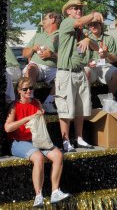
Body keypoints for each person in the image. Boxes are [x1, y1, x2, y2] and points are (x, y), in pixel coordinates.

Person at [4, 77, 70, 207]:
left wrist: (40, 116)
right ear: (19, 91)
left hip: (36, 139)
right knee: (38, 157)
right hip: (17, 142)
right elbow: (7, 128)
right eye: (25, 89)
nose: (29, 91)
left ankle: (55, 191)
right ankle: (38, 195)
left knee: (58, 155)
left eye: (31, 88)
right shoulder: (14, 106)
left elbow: (40, 126)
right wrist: (28, 118)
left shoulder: (37, 103)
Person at [55, 0, 102, 152]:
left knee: (81, 109)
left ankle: (79, 138)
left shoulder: (82, 30)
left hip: (79, 72)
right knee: (65, 110)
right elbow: (80, 22)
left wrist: (88, 41)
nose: (79, 10)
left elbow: (97, 48)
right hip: (66, 73)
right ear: (68, 11)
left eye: (80, 8)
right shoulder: (67, 22)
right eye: (75, 8)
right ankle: (66, 141)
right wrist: (94, 14)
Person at [22, 12, 61, 113]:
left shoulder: (62, 35)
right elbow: (24, 54)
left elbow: (68, 57)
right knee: (31, 68)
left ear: (52, 20)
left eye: (45, 19)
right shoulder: (38, 35)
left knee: (65, 76)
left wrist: (52, 55)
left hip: (54, 68)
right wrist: (32, 49)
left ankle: (48, 103)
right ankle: (30, 102)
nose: (43, 22)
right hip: (37, 66)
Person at [85, 21, 117, 94]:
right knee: (85, 71)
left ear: (100, 25)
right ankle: (87, 100)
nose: (93, 26)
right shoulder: (86, 39)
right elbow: (80, 56)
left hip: (105, 66)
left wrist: (107, 54)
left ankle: (110, 99)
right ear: (88, 27)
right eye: (90, 25)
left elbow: (114, 59)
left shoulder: (109, 38)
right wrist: (87, 62)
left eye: (95, 24)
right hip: (91, 67)